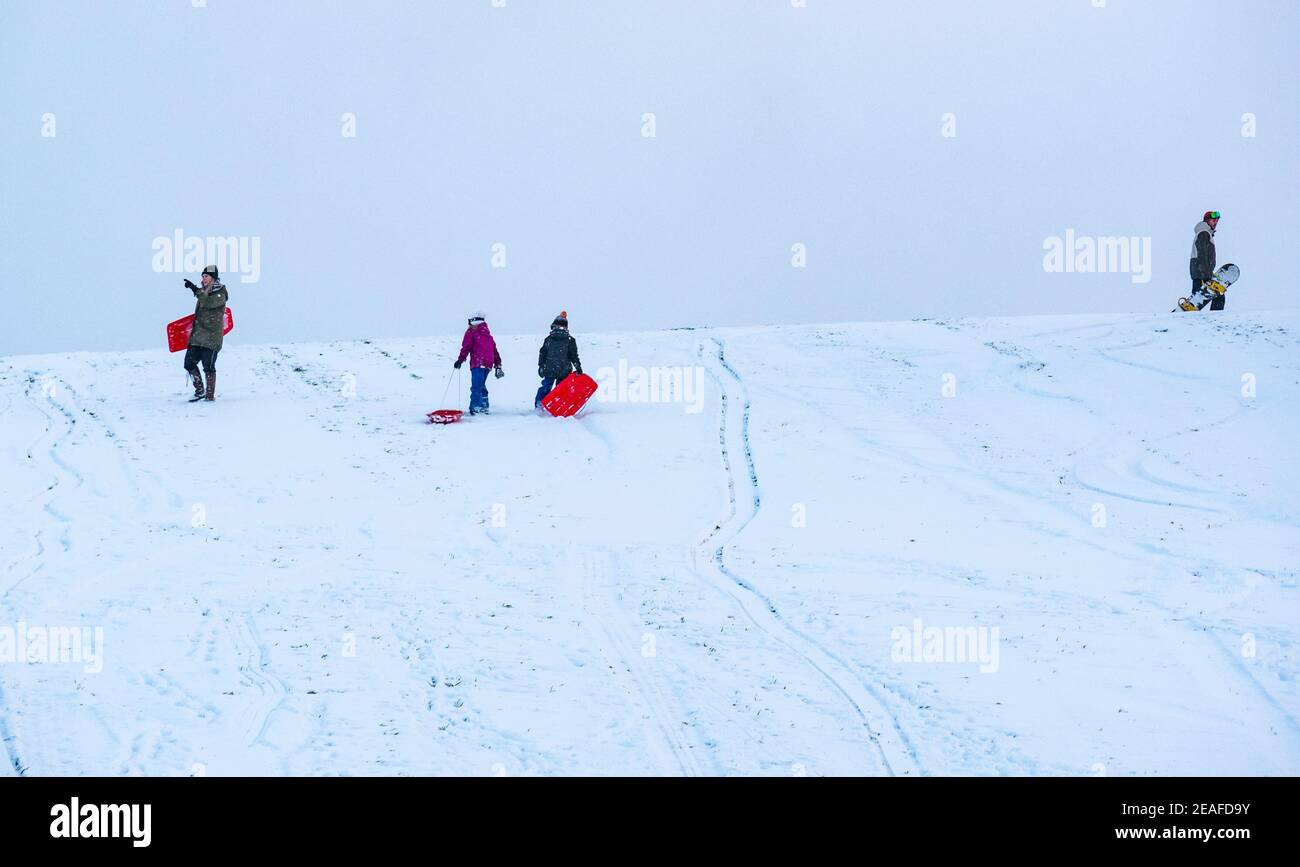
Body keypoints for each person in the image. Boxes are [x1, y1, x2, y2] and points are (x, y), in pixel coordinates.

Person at [182, 265, 228, 402]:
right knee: (189, 363)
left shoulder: (221, 293)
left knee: (208, 367)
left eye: (206, 276)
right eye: (202, 276)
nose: (203, 278)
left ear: (213, 278)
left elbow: (208, 303)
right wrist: (197, 290)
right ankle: (199, 390)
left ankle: (209, 395)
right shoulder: (203, 291)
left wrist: (196, 290)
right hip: (198, 336)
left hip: (211, 338)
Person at [454, 313, 503, 415]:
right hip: (487, 364)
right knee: (481, 385)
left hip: (478, 363)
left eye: (470, 323)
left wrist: (460, 360)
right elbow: (495, 352)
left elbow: (466, 347)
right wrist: (498, 365)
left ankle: (476, 407)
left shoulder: (471, 333)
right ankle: (484, 406)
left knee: (476, 386)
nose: (469, 326)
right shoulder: (488, 336)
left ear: (475, 323)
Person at [535, 311, 582, 409]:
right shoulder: (570, 340)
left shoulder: (549, 339)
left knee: (545, 388)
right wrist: (578, 368)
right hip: (564, 370)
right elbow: (574, 356)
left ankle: (539, 406)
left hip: (549, 369)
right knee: (561, 391)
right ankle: (558, 407)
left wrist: (541, 366)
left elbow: (542, 353)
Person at [1190, 210, 1225, 310]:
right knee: (1219, 295)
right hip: (1202, 272)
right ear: (1206, 221)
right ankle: (1215, 318)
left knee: (1197, 300)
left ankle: (1192, 318)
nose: (1215, 223)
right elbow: (1202, 254)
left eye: (1217, 221)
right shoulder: (1204, 233)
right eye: (1213, 220)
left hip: (1200, 271)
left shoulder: (1205, 233)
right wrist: (1207, 275)